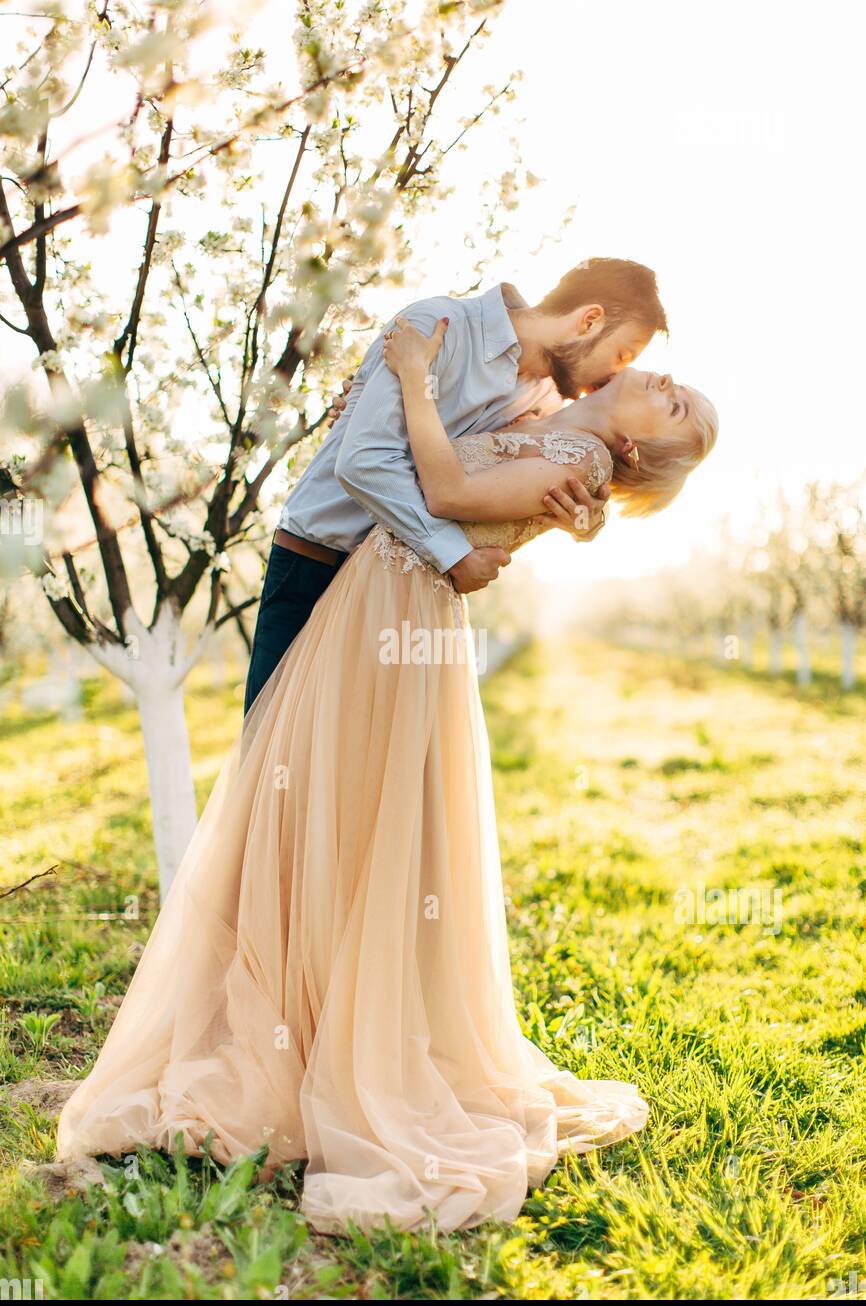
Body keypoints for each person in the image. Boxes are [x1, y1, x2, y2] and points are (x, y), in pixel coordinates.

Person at [57, 312, 718, 1235]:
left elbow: (443, 487)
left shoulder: (585, 461)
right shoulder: (550, 415)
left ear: (639, 447)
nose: (662, 380)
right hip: (374, 600)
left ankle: (336, 1044)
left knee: (350, 811)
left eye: (675, 404)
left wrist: (409, 374)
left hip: (397, 611)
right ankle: (306, 1023)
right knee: (323, 805)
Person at [243, 257, 669, 710]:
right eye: (621, 356)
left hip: (402, 596)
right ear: (589, 320)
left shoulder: (547, 398)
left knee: (366, 770)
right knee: (276, 760)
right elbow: (364, 462)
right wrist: (454, 554)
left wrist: (587, 516)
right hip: (317, 566)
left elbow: (539, 473)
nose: (613, 377)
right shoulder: (434, 329)